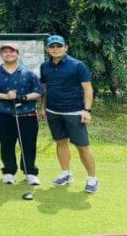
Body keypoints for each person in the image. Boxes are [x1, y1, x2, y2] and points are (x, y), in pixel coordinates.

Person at [40, 35, 99, 194]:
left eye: (59, 46)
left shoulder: (77, 65)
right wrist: (43, 107)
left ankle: (92, 179)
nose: (55, 49)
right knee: (61, 142)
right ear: (47, 49)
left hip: (74, 112)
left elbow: (88, 89)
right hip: (53, 112)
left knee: (82, 147)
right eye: (52, 46)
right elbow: (45, 89)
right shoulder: (44, 66)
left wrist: (87, 110)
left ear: (66, 48)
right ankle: (66, 174)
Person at [0, 42, 44, 185]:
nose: (8, 54)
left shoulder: (28, 73)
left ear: (18, 54)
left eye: (11, 51)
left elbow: (39, 92)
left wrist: (23, 97)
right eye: (4, 52)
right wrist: (6, 96)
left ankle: (30, 172)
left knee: (28, 145)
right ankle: (9, 172)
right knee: (6, 144)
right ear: (1, 55)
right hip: (5, 115)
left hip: (27, 115)